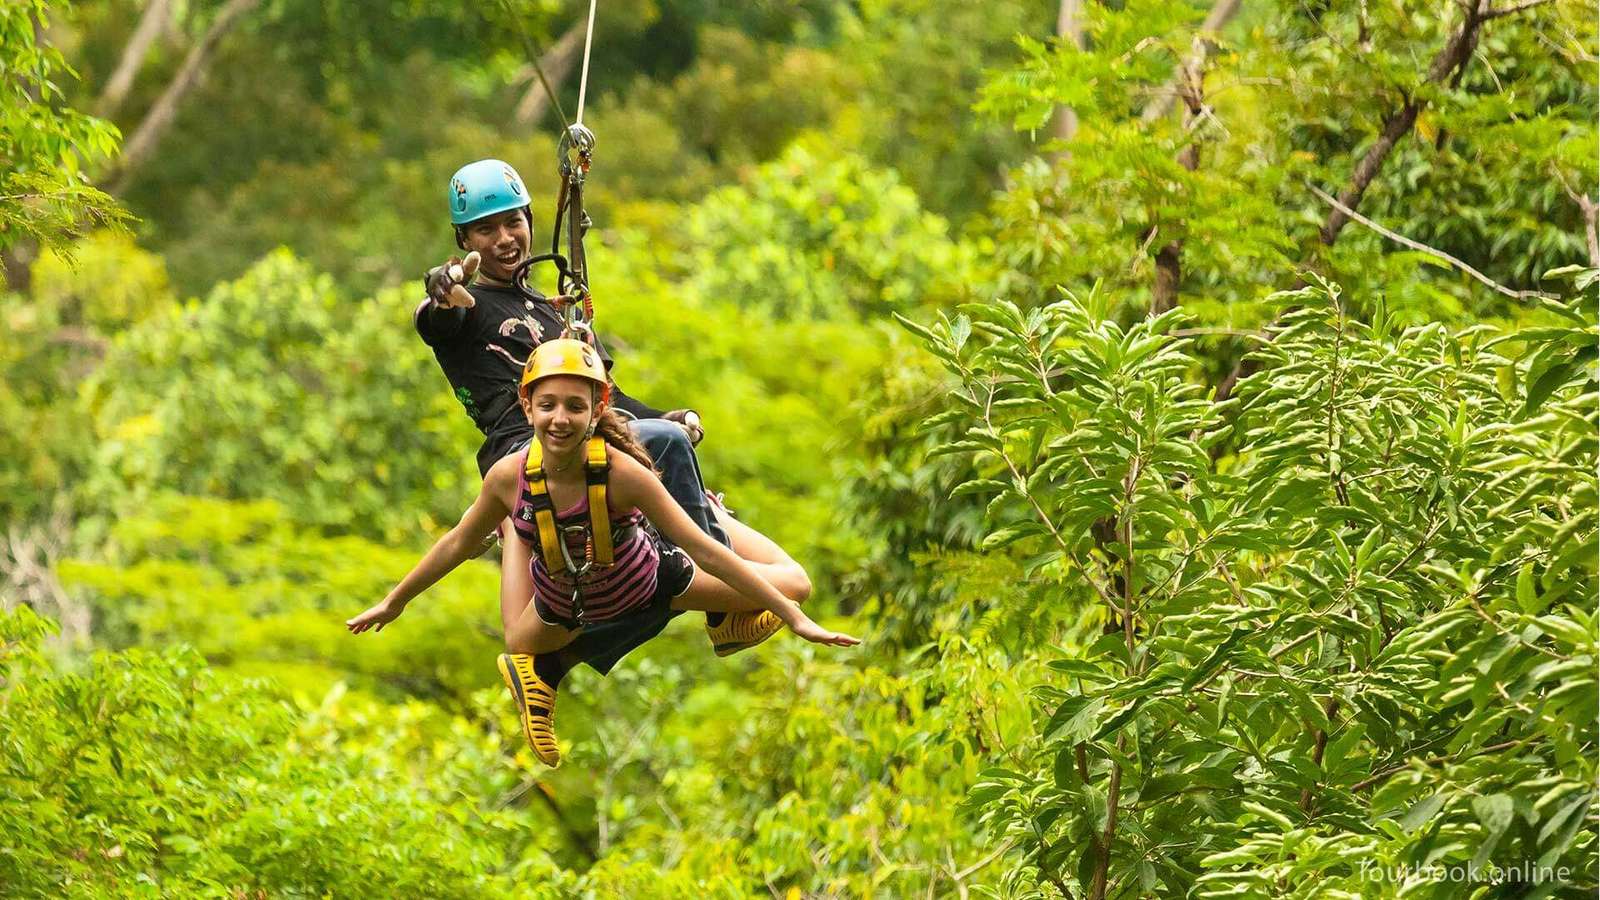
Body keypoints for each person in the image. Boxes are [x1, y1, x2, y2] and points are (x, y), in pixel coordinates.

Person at [409, 158, 793, 757]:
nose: (503, 239)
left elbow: (606, 402)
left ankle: (554, 665)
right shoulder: (468, 310)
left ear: (531, 221)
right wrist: (443, 288)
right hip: (532, 449)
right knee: (661, 480)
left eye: (512, 223)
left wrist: (669, 415)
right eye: (485, 230)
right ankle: (717, 605)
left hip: (588, 441)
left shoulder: (552, 311)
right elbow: (437, 320)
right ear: (465, 242)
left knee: (646, 567)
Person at [347, 339, 859, 764]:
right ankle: (519, 533)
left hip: (656, 584)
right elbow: (457, 542)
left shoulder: (623, 474)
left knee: (795, 582)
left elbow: (702, 548)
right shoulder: (508, 476)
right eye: (547, 406)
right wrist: (396, 600)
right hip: (566, 607)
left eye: (576, 406)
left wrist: (792, 617)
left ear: (599, 408)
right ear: (527, 407)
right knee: (517, 637)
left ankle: (715, 519)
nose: (560, 420)